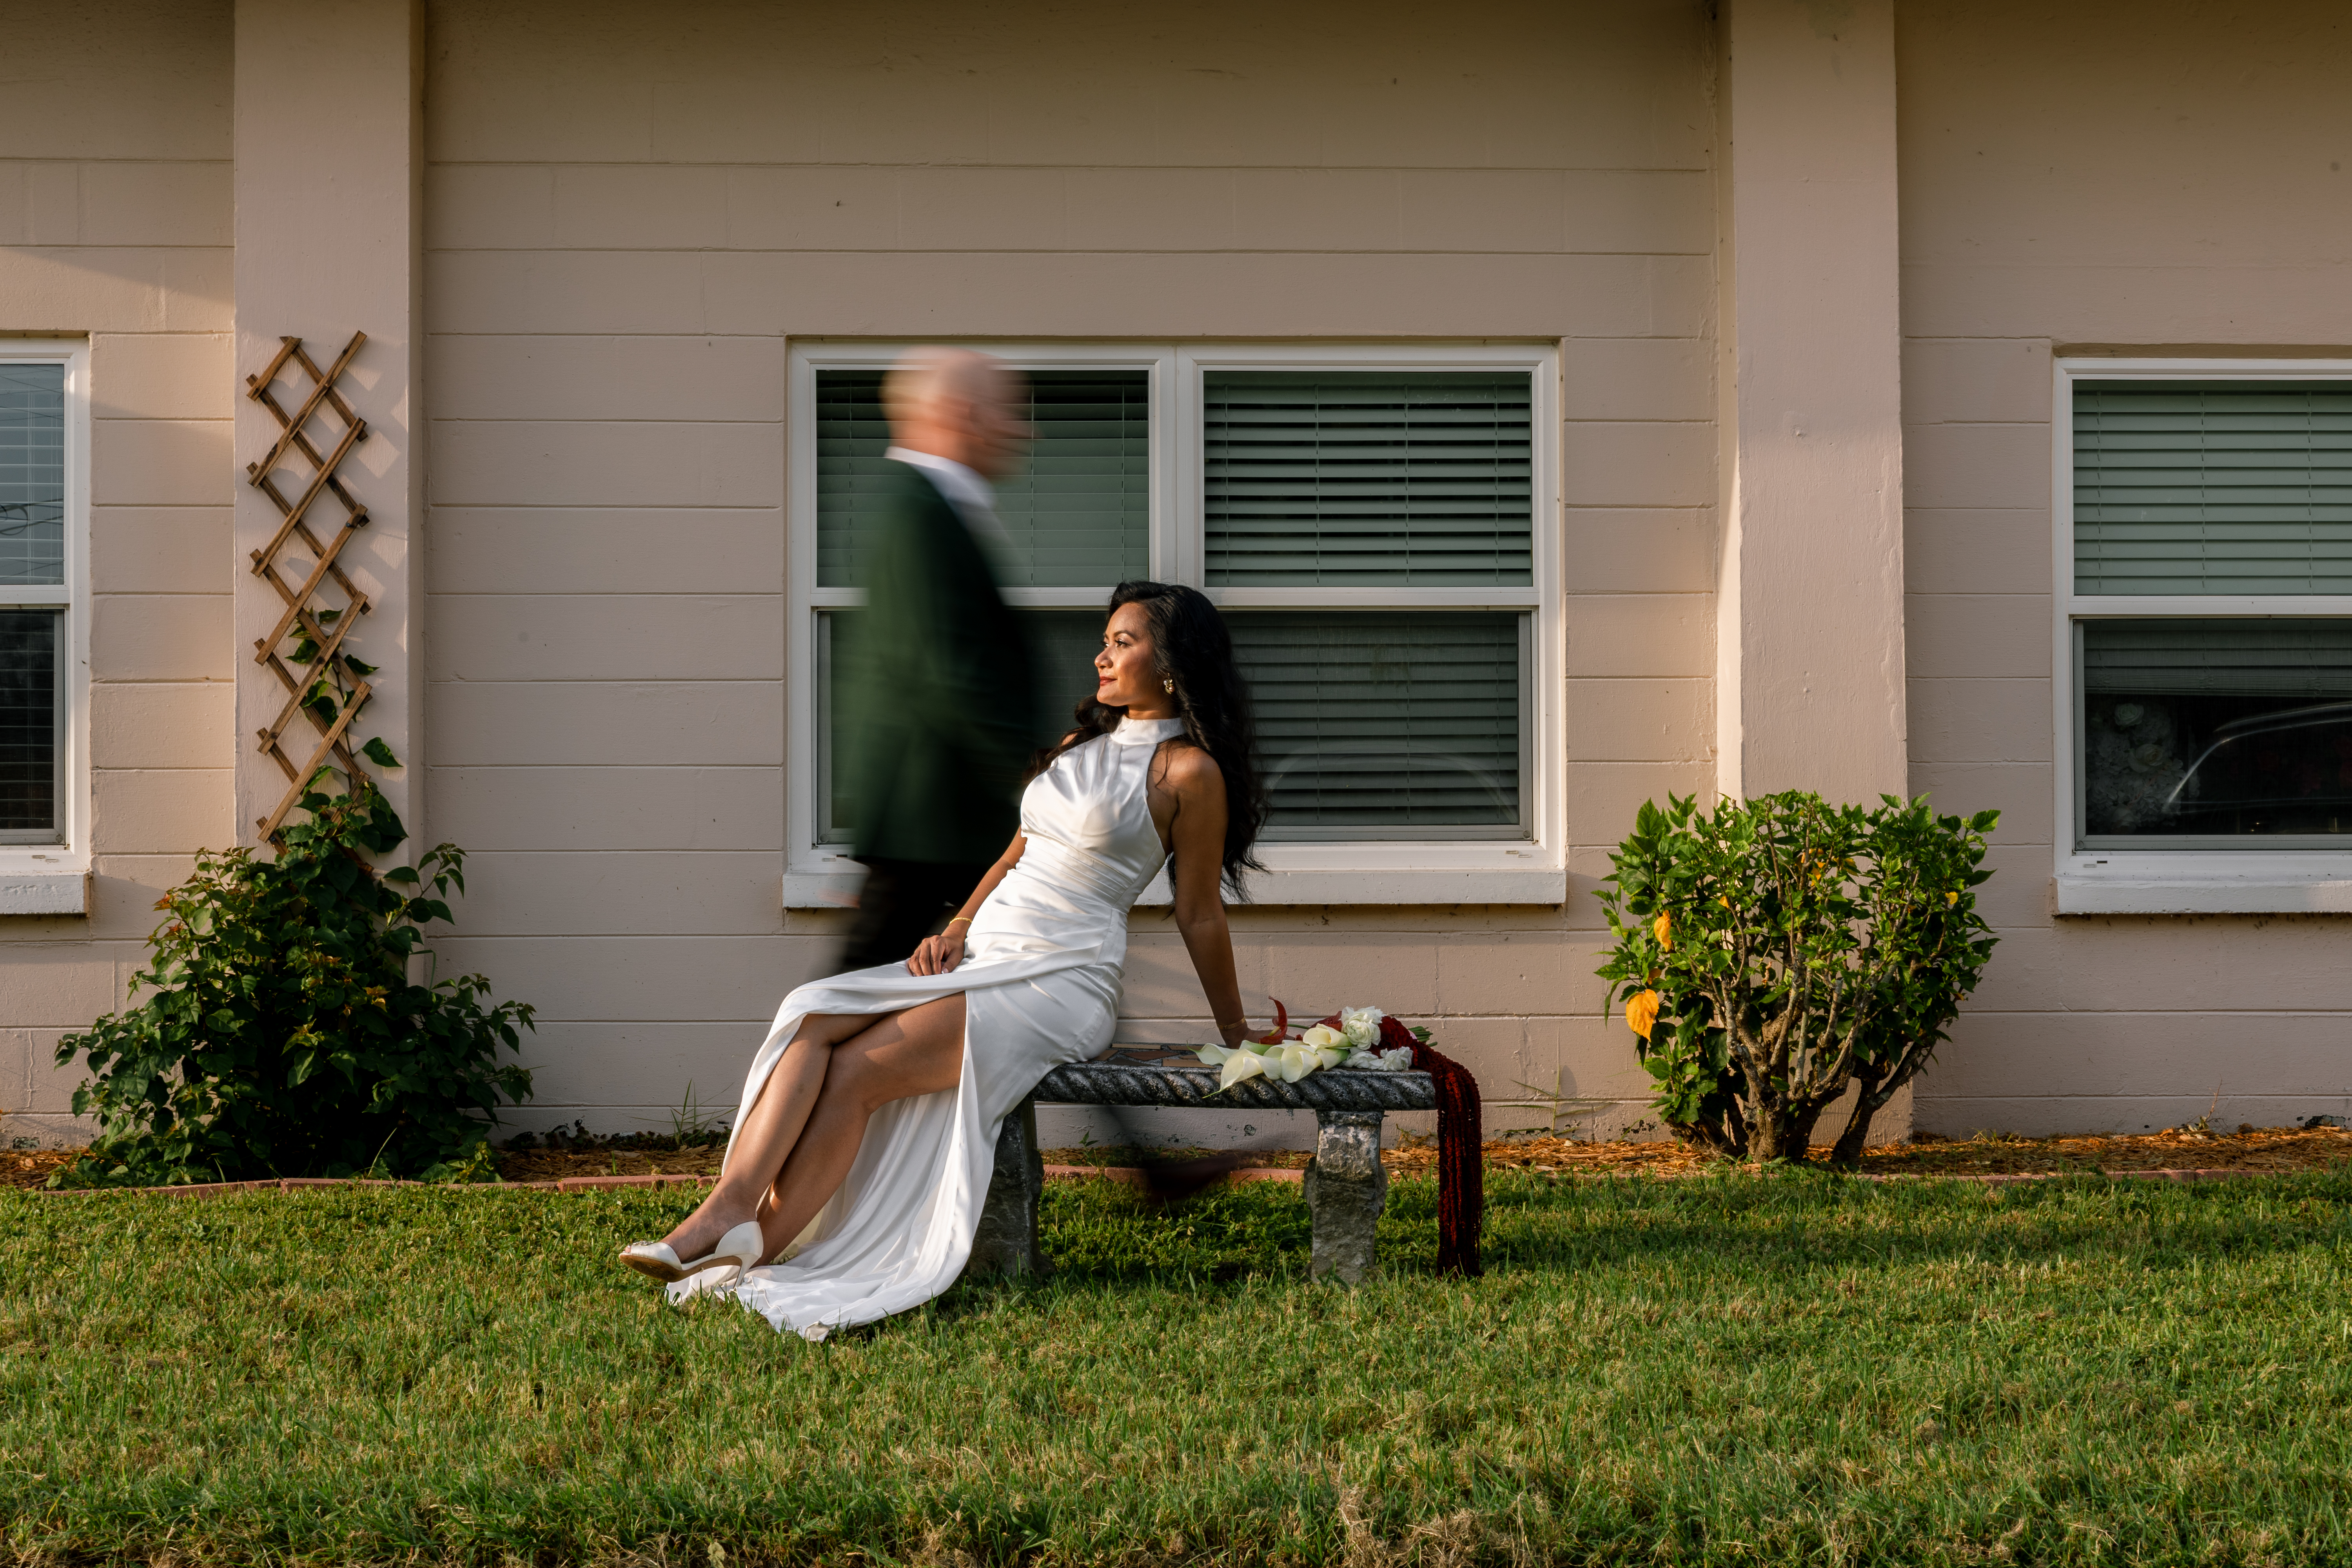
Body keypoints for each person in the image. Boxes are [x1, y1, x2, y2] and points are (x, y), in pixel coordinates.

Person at [618, 581, 1269, 1339]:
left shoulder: (1188, 774)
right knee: (812, 1016)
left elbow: (1199, 913)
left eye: (1123, 643)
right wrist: (957, 927)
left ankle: (746, 1236)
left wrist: (1239, 1034)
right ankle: (733, 1212)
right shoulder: (1077, 749)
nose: (1101, 656)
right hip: (987, 953)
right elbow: (1016, 854)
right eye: (1105, 640)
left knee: (855, 1071)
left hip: (1060, 978)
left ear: (1173, 664)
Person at [836, 347, 1038, 973]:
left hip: (942, 816)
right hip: (930, 815)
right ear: (963, 414)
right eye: (1008, 412)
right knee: (854, 990)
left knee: (1024, 967)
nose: (1022, 431)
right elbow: (949, 670)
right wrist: (1037, 775)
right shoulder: (920, 514)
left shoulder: (937, 507)